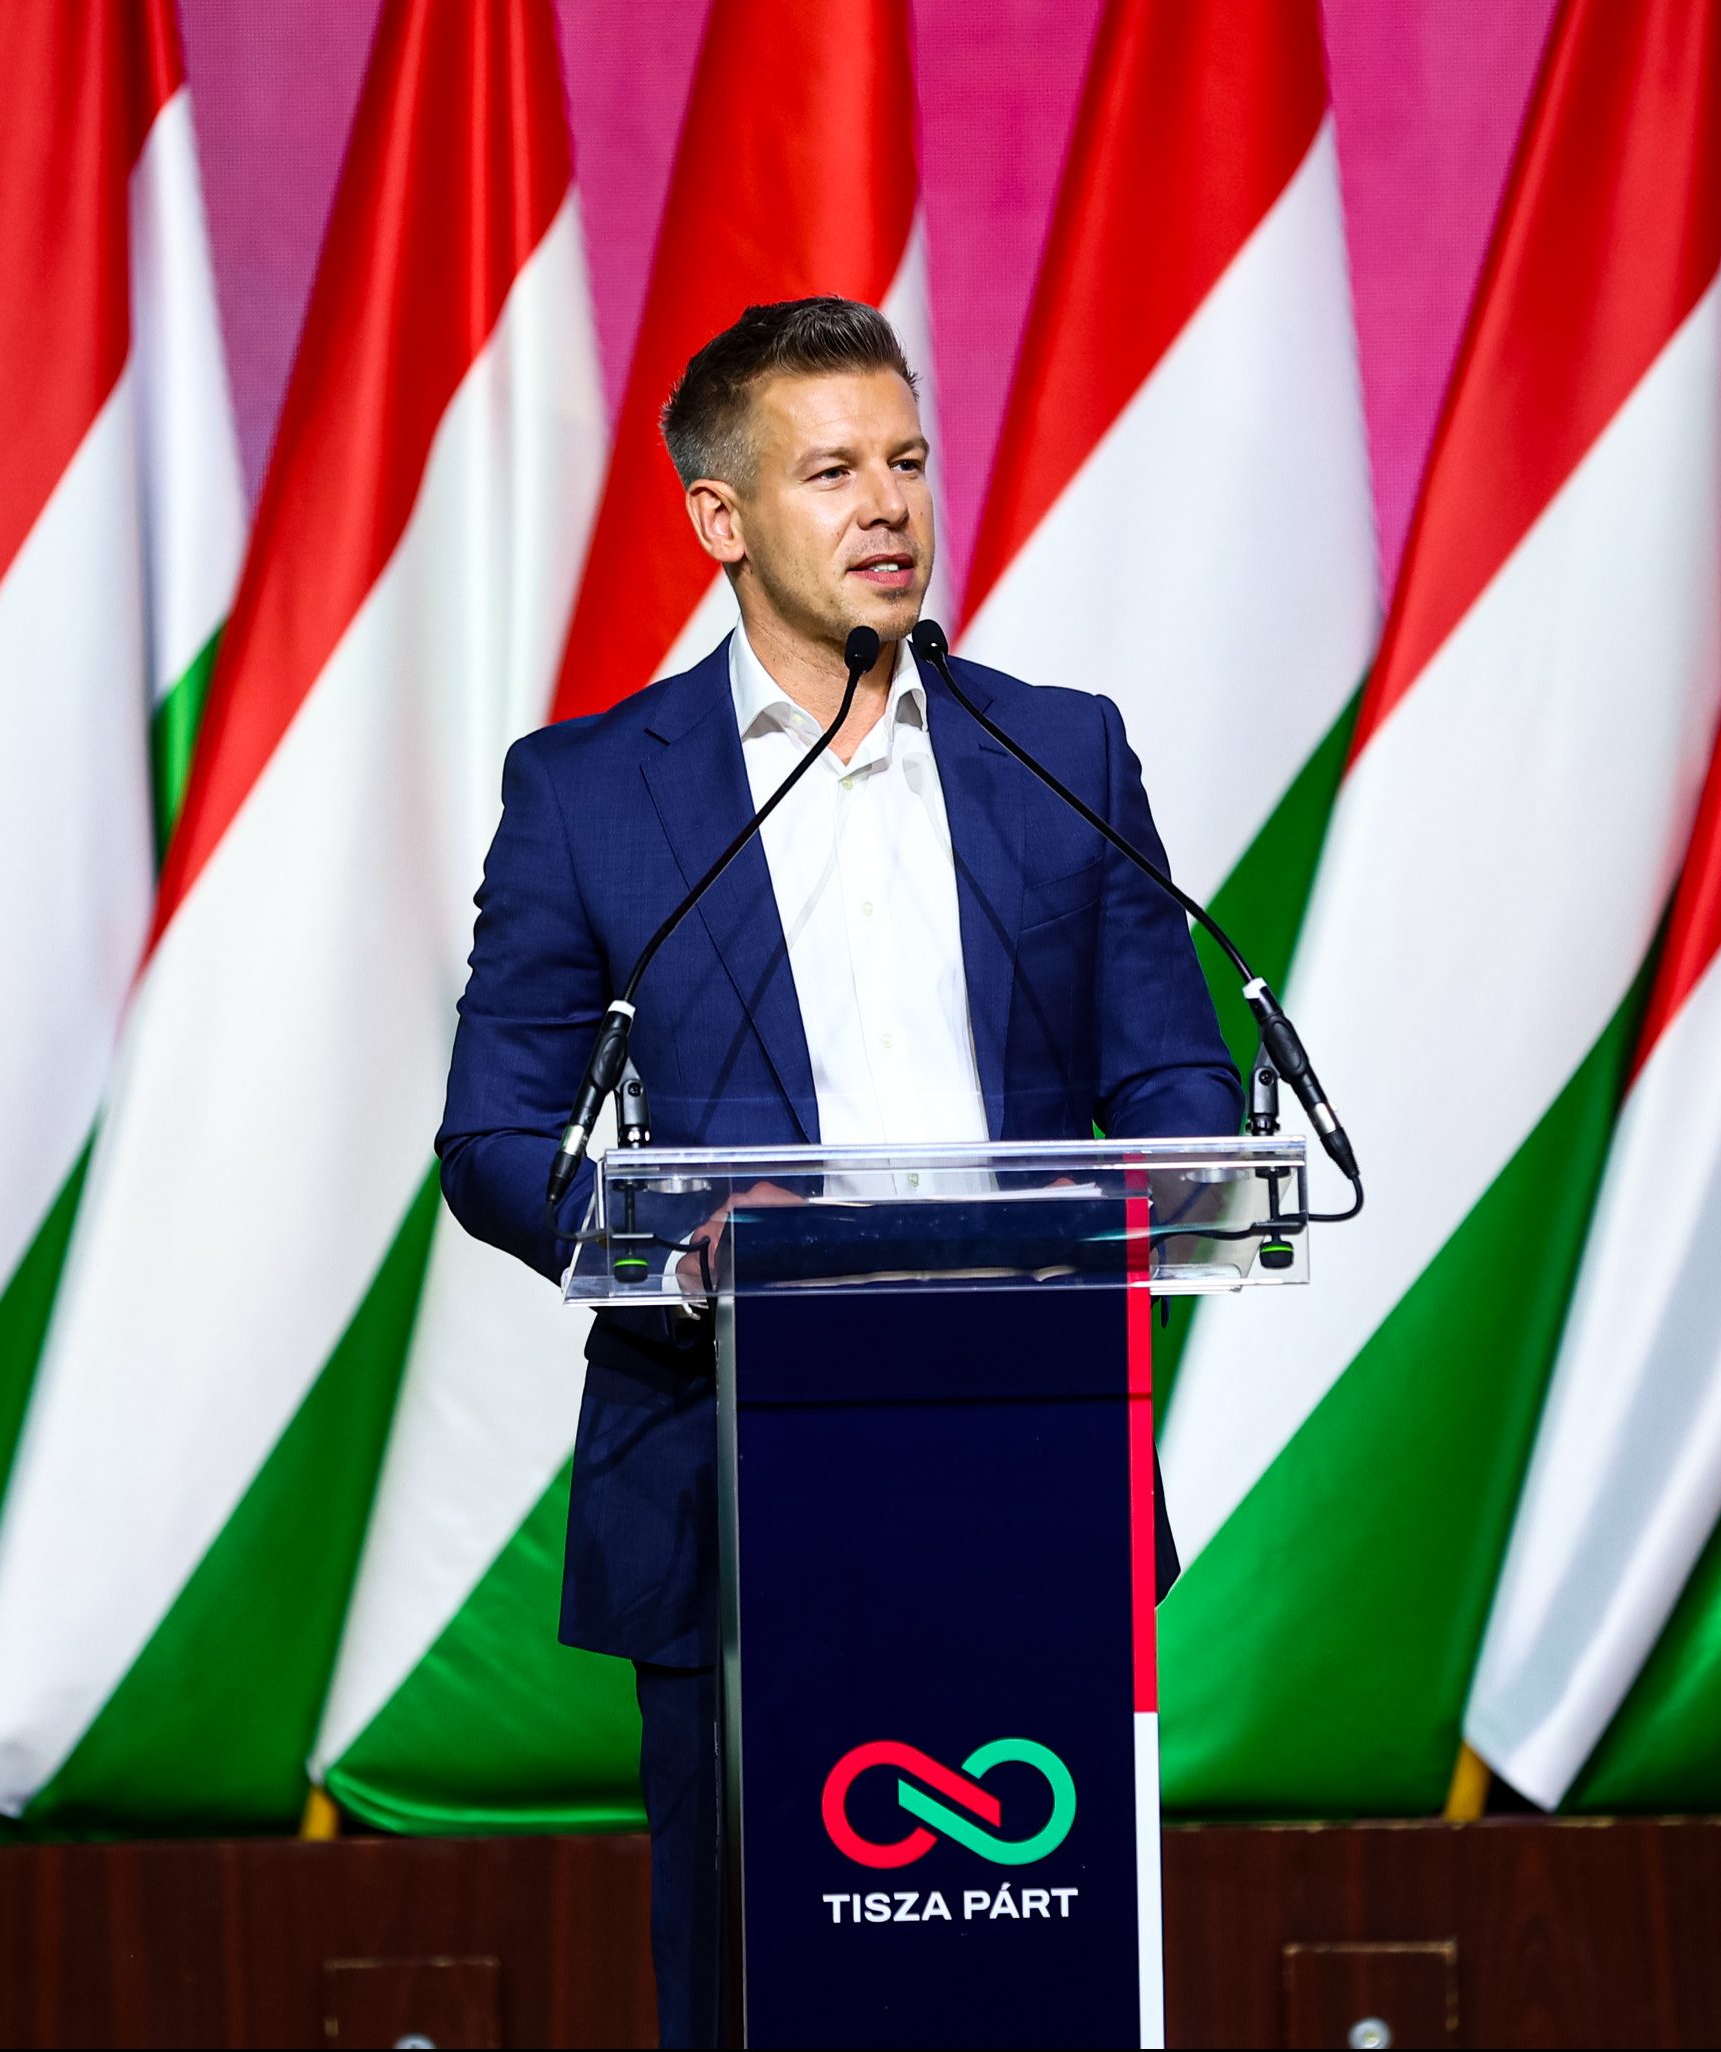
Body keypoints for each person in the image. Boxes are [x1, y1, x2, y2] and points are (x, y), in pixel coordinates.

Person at [435, 295, 1237, 2047]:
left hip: (1027, 1455)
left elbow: (1174, 1078)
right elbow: (494, 1143)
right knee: (757, 1991)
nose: (888, 505)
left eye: (907, 460)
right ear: (720, 517)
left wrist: (1170, 1179)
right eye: (831, 472)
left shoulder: (1057, 754)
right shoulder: (592, 795)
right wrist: (693, 1253)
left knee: (1038, 1982)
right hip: (730, 1476)